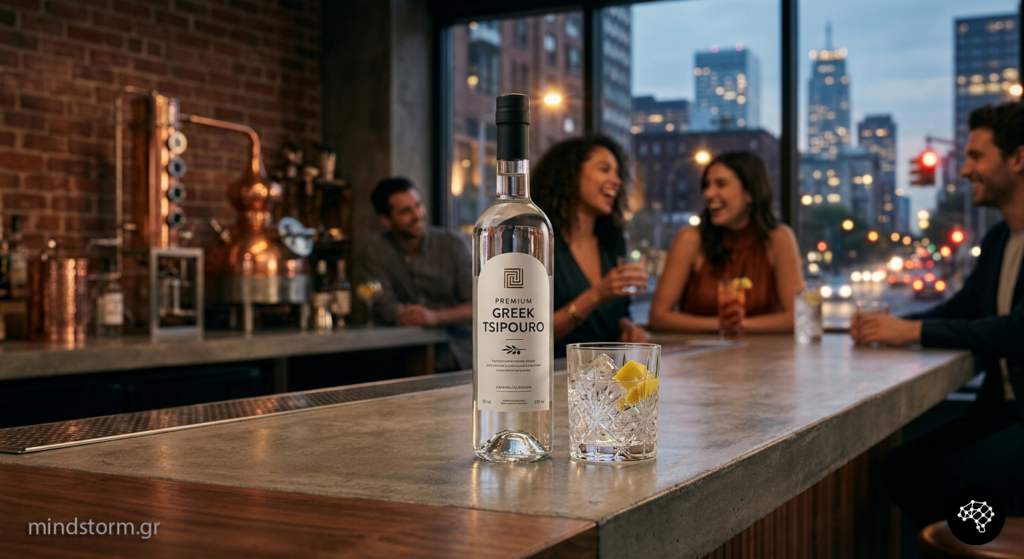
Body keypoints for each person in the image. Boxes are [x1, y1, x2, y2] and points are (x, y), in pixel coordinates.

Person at [852, 101, 1024, 529]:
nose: (964, 171)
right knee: (902, 469)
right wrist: (889, 327)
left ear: (1019, 158)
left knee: (958, 479)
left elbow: (1018, 330)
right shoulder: (1002, 236)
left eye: (976, 156)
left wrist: (912, 329)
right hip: (1000, 411)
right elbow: (964, 307)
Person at [648, 152, 803, 335]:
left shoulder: (779, 238)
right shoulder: (689, 240)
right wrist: (720, 324)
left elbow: (798, 317)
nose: (708, 193)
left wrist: (740, 325)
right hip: (696, 357)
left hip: (762, 357)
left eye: (721, 184)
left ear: (749, 193)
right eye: (706, 185)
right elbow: (658, 317)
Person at [531, 135, 648, 358]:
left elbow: (619, 313)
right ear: (570, 174)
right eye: (605, 169)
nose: (617, 181)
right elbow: (530, 335)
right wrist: (596, 294)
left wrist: (627, 328)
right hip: (550, 377)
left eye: (617, 173)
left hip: (606, 377)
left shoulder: (611, 241)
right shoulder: (537, 243)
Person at [353, 177, 472, 371]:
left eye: (418, 205)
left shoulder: (453, 244)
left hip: (459, 350)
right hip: (402, 349)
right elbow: (381, 302)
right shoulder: (375, 250)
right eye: (405, 211)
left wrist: (433, 317)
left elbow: (477, 307)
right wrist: (403, 314)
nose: (417, 215)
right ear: (385, 220)